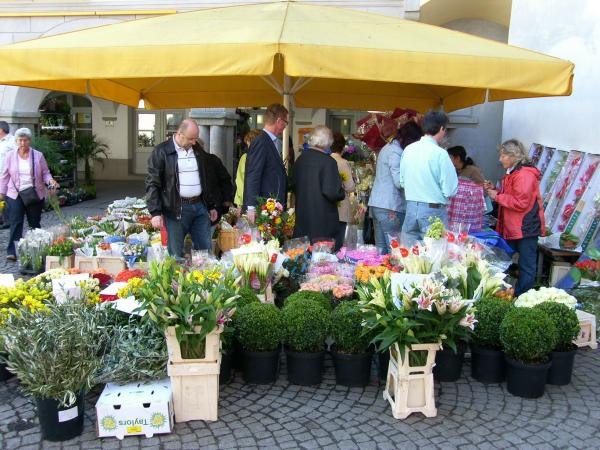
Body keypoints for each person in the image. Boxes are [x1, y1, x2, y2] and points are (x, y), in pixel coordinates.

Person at [146, 119, 219, 257]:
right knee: (176, 253)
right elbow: (153, 183)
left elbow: (205, 178)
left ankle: (204, 271)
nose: (194, 142)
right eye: (191, 139)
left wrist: (211, 205)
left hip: (200, 206)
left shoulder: (197, 149)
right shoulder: (161, 151)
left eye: (195, 138)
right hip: (176, 208)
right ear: (179, 134)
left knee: (204, 251)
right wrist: (155, 212)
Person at [485, 138, 545, 296]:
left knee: (525, 265)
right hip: (514, 227)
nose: (500, 159)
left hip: (524, 228)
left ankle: (522, 297)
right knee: (502, 261)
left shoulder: (524, 175)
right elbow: (513, 196)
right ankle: (502, 293)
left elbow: (521, 202)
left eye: (503, 155)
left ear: (514, 155)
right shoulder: (514, 172)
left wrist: (497, 197)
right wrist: (496, 190)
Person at [0, 128, 59, 261]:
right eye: (20, 140)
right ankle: (13, 251)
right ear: (16, 141)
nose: (22, 143)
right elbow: (4, 175)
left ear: (29, 141)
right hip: (15, 194)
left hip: (34, 193)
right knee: (16, 222)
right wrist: (1, 193)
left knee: (34, 223)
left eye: (25, 140)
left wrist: (50, 181)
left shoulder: (38, 155)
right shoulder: (10, 156)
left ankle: (37, 250)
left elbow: (45, 173)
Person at [399, 110, 458, 243]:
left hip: (411, 208)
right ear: (442, 129)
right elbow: (450, 190)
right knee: (435, 252)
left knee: (409, 252)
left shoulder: (408, 149)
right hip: (433, 210)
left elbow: (402, 182)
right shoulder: (440, 154)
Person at [293, 126, 345, 243]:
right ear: (328, 142)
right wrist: (342, 191)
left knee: (302, 250)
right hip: (322, 219)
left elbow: (294, 185)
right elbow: (332, 192)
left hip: (302, 216)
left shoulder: (300, 159)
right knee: (323, 253)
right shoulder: (328, 162)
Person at [243, 103, 289, 221]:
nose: (285, 126)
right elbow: (253, 175)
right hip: (262, 209)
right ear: (279, 121)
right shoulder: (261, 141)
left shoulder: (269, 141)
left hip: (269, 208)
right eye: (285, 122)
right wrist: (251, 207)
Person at [368, 120, 407, 255]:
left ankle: (380, 269)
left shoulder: (386, 148)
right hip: (390, 205)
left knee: (381, 248)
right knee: (394, 250)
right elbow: (398, 181)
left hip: (378, 204)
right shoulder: (396, 151)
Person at [330, 132, 355, 250]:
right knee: (338, 243)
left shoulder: (325, 160)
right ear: (343, 146)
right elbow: (350, 187)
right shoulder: (343, 163)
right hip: (340, 206)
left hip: (327, 205)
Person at [234, 129, 262, 207]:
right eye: (248, 144)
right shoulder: (245, 158)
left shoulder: (246, 157)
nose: (249, 147)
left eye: (250, 143)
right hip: (248, 202)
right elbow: (240, 181)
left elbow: (240, 180)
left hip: (248, 201)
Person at [0, 121, 16, 230]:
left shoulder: (13, 141)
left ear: (1, 130)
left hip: (7, 175)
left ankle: (8, 220)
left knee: (5, 198)